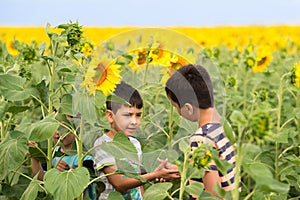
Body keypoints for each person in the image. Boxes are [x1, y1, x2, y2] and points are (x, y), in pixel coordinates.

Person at [93, 81, 180, 200]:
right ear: (110, 116)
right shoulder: (103, 145)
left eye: (138, 115)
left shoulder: (135, 143)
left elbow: (138, 185)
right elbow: (119, 184)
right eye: (128, 115)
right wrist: (154, 175)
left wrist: (156, 174)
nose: (134, 122)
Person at [165, 64, 238, 198]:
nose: (178, 113)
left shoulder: (202, 138)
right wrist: (184, 170)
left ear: (188, 108)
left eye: (176, 107)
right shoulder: (223, 126)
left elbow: (212, 194)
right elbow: (218, 171)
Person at [29, 114, 97, 200]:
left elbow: (81, 188)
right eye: (53, 128)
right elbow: (42, 180)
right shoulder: (52, 154)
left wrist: (68, 173)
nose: (58, 132)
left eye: (63, 127)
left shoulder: (85, 157)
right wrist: (34, 157)